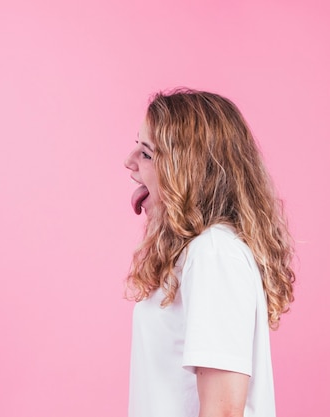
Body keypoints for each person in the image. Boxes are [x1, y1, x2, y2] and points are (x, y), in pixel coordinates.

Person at [124, 88, 295, 417]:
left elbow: (224, 412)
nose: (129, 161)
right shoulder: (201, 254)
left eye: (146, 153)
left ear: (187, 170)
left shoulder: (213, 254)